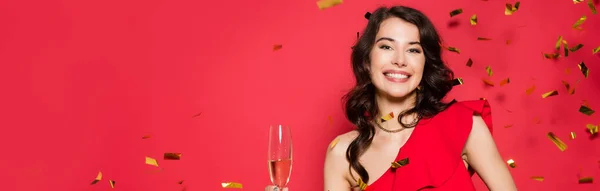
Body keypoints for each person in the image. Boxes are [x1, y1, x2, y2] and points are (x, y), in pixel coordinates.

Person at [322, 5, 518, 191]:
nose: (399, 60)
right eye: (386, 47)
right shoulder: (342, 153)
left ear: (425, 65)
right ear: (366, 59)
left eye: (413, 50)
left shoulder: (463, 124)